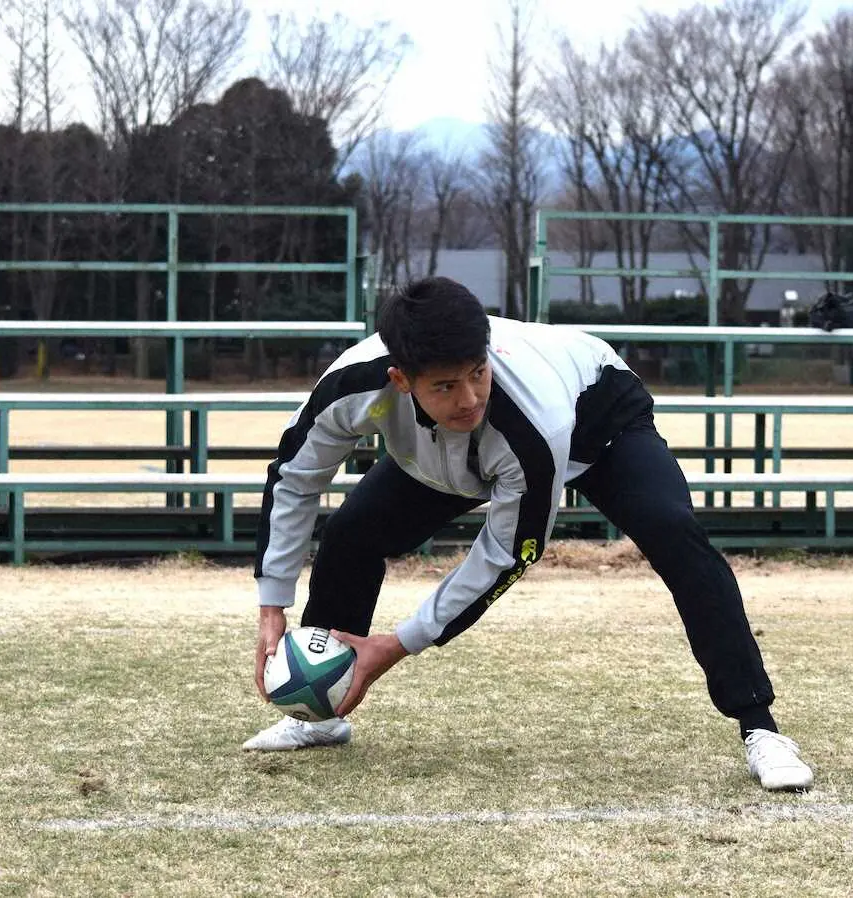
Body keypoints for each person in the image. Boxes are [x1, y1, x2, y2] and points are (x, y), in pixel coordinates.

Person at [243, 276, 814, 792]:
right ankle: (321, 711)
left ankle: (760, 727)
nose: (468, 397)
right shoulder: (351, 386)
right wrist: (273, 605)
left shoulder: (532, 418)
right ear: (400, 379)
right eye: (445, 385)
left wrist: (398, 644)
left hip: (597, 421)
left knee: (675, 534)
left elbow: (508, 550)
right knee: (349, 533)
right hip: (447, 453)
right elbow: (294, 480)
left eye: (477, 372)